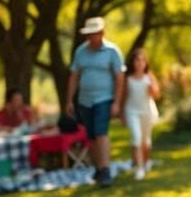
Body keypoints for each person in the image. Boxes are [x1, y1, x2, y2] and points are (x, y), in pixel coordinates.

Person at [66, 16, 124, 187]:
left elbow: (119, 77)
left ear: (102, 33)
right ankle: (98, 168)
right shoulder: (81, 52)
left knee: (101, 132)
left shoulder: (112, 52)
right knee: (91, 135)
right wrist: (69, 100)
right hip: (85, 100)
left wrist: (117, 102)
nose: (91, 37)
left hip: (104, 98)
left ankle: (105, 170)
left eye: (95, 33)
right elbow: (74, 76)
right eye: (89, 34)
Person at [122, 47, 160, 180]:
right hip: (132, 111)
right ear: (133, 63)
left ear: (145, 63)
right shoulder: (128, 78)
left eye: (142, 61)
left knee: (145, 141)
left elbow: (156, 95)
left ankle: (146, 161)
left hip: (147, 111)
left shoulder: (149, 77)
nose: (139, 63)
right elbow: (124, 97)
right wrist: (122, 115)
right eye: (137, 61)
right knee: (136, 138)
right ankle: (139, 168)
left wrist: (152, 89)